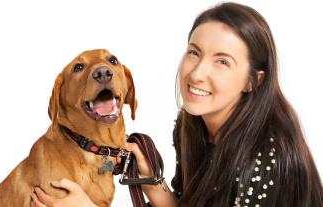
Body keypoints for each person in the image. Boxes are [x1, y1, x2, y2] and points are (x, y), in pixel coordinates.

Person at [30, 2, 323, 207]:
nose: (196, 73)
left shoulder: (267, 160)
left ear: (253, 81)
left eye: (222, 61)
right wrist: (149, 180)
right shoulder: (191, 125)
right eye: (195, 53)